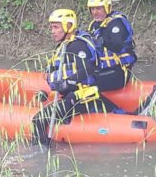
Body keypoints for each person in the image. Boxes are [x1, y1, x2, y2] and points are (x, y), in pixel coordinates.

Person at [32, 8, 117, 144]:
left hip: (83, 97)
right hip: (76, 94)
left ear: (69, 26)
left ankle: (41, 153)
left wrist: (67, 82)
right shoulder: (67, 43)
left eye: (56, 27)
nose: (52, 31)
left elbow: (87, 68)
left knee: (37, 120)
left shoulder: (77, 46)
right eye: (51, 27)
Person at [87, 0, 137, 91]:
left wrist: (102, 40)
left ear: (107, 7)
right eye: (92, 9)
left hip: (119, 72)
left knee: (87, 82)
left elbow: (116, 46)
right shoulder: (94, 25)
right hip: (102, 69)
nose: (95, 12)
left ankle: (112, 106)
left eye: (98, 8)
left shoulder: (117, 23)